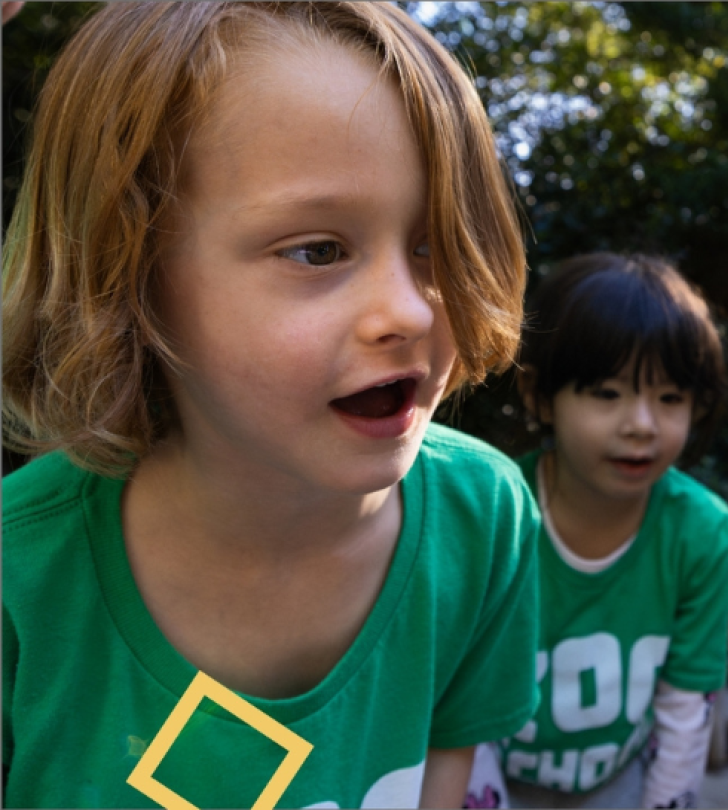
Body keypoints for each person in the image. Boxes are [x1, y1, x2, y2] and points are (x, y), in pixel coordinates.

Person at [2, 4, 537, 806]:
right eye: (317, 250)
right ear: (128, 278)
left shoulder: (485, 518)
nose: (413, 310)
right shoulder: (21, 571)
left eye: (436, 245)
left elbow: (449, 763)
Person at [465, 254, 728, 809]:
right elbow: (460, 711)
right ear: (540, 396)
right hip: (490, 780)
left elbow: (686, 711)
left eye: (669, 398)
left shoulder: (700, 533)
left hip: (623, 785)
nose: (641, 424)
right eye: (607, 394)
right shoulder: (488, 520)